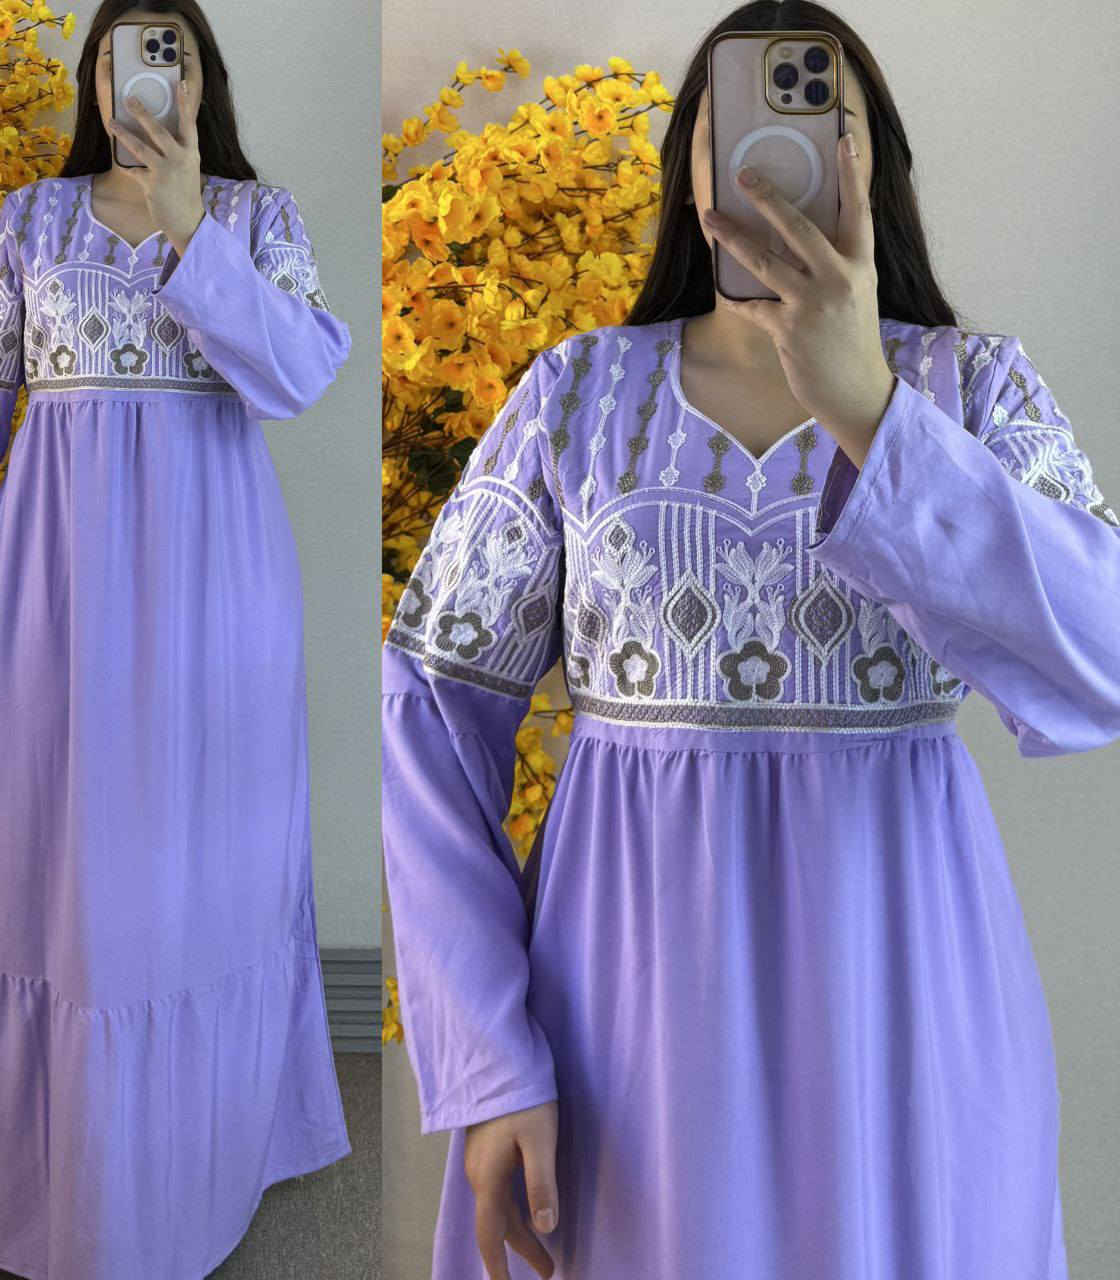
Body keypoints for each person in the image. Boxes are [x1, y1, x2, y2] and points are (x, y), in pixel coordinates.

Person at [380, 3, 1120, 1277]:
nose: (776, 160)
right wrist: (487, 1055)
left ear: (871, 164)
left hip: (903, 1014)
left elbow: (1100, 658)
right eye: (739, 126)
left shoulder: (969, 391)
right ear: (692, 166)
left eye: (821, 125)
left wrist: (870, 411)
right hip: (623, 1026)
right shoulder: (574, 397)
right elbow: (427, 715)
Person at [0, 5, 352, 1276]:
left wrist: (191, 220)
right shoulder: (30, 220)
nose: (145, 72)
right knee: (48, 875)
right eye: (123, 51)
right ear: (93, 77)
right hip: (44, 598)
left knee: (187, 880)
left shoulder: (256, 218)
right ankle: (35, 1180)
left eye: (170, 49)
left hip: (213, 603)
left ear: (203, 76)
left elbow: (299, 375)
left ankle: (184, 1171)